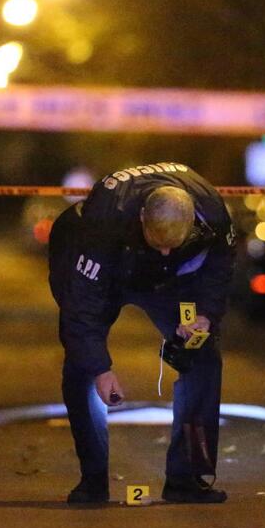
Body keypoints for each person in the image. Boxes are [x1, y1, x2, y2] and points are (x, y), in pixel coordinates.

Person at [49, 162, 235, 504]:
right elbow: (81, 307)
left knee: (204, 359)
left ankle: (187, 478)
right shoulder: (103, 220)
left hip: (167, 278)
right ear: (141, 220)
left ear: (194, 221)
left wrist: (206, 316)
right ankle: (92, 481)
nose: (164, 250)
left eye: (172, 244)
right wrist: (100, 368)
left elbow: (220, 268)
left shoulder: (213, 213)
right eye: (157, 241)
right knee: (81, 367)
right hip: (107, 269)